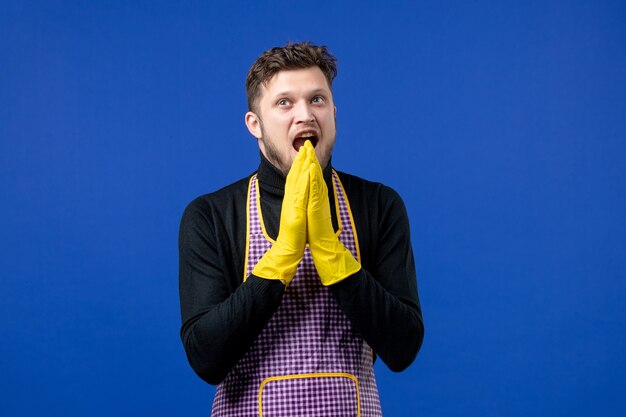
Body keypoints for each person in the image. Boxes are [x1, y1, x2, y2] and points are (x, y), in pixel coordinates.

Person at [179, 41, 424, 416]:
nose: (305, 114)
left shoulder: (378, 205)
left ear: (334, 114)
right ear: (254, 124)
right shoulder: (211, 215)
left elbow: (403, 348)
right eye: (284, 103)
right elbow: (206, 358)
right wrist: (284, 254)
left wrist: (328, 248)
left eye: (317, 100)